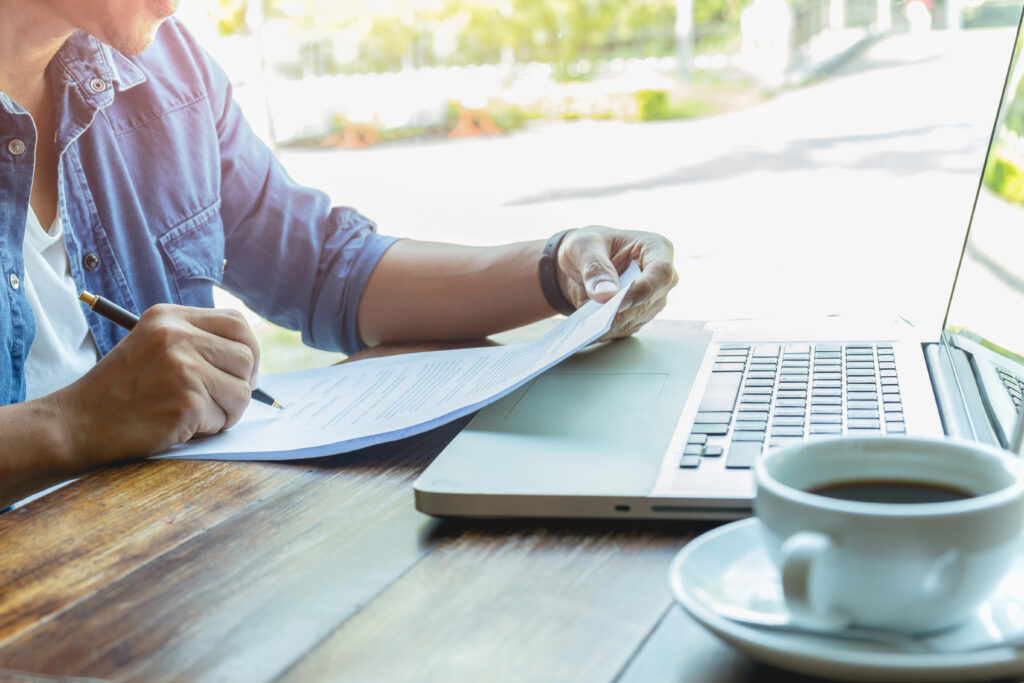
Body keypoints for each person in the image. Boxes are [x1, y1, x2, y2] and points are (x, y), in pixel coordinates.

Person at [0, 0, 678, 508]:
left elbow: (327, 268)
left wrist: (558, 266)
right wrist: (77, 423)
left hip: (142, 567)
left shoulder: (170, 72)